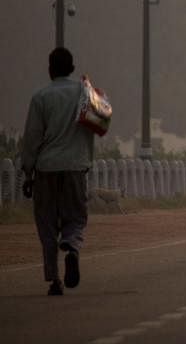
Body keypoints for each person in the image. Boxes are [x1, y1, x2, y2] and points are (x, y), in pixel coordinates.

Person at [20, 48, 96, 295]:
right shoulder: (85, 93)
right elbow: (95, 126)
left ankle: (54, 280)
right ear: (72, 68)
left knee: (47, 224)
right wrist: (87, 160)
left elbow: (31, 138)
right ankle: (72, 247)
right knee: (75, 217)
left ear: (50, 69)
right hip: (75, 165)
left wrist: (28, 172)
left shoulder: (40, 97)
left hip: (46, 167)